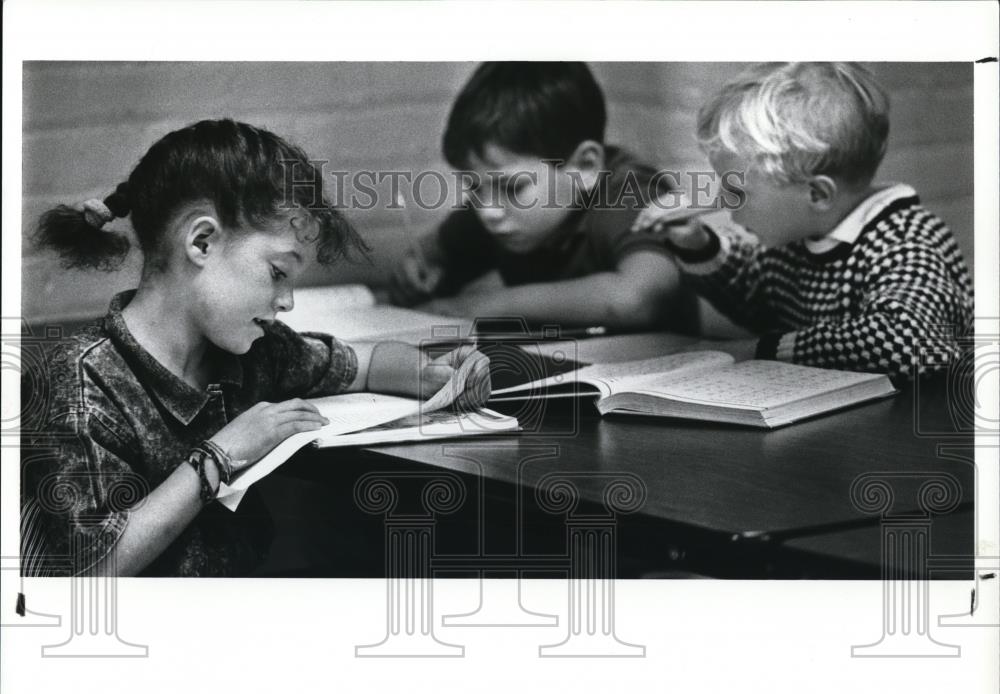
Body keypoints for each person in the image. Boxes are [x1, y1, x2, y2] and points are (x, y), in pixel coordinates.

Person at [22, 119, 490, 577]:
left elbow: (362, 364)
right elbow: (97, 570)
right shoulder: (84, 383)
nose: (287, 302)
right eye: (278, 273)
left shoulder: (254, 350)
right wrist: (221, 455)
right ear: (201, 241)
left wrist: (431, 374)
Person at [633, 62, 973, 379]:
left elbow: (912, 342)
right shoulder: (798, 238)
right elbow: (753, 298)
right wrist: (698, 245)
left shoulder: (906, 242)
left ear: (817, 195)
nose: (727, 206)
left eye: (739, 192)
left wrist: (758, 351)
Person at [389, 62, 691, 332]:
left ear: (584, 167)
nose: (487, 212)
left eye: (513, 188)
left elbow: (640, 297)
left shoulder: (628, 192)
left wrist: (485, 305)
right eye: (473, 187)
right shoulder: (496, 206)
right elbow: (434, 252)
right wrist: (419, 266)